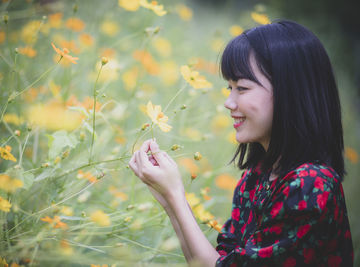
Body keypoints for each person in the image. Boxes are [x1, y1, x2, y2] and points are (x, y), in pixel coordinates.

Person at [129, 20, 354, 267]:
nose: (229, 102)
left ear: (289, 92)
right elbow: (219, 260)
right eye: (230, 87)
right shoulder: (258, 176)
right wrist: (169, 197)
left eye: (242, 88)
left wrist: (175, 195)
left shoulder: (309, 185)